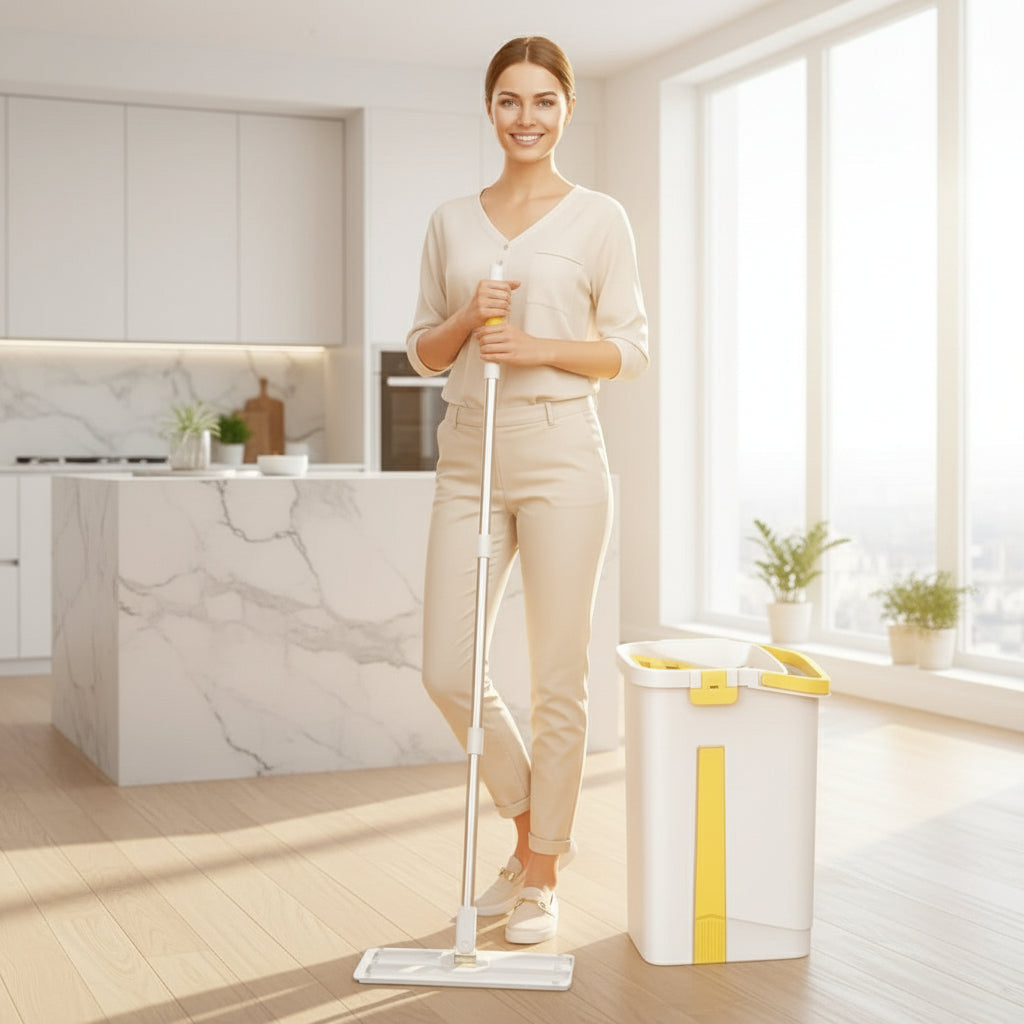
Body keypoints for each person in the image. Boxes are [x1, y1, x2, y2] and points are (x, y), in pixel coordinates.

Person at [406, 35, 649, 945]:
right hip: (467, 454)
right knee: (444, 666)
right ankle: (524, 828)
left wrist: (541, 346)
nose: (526, 118)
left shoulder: (599, 219)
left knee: (558, 676)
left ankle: (542, 870)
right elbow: (423, 351)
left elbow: (630, 350)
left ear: (567, 110)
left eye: (544, 101)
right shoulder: (449, 220)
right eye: (510, 100)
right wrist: (471, 316)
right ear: (490, 108)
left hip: (560, 453)